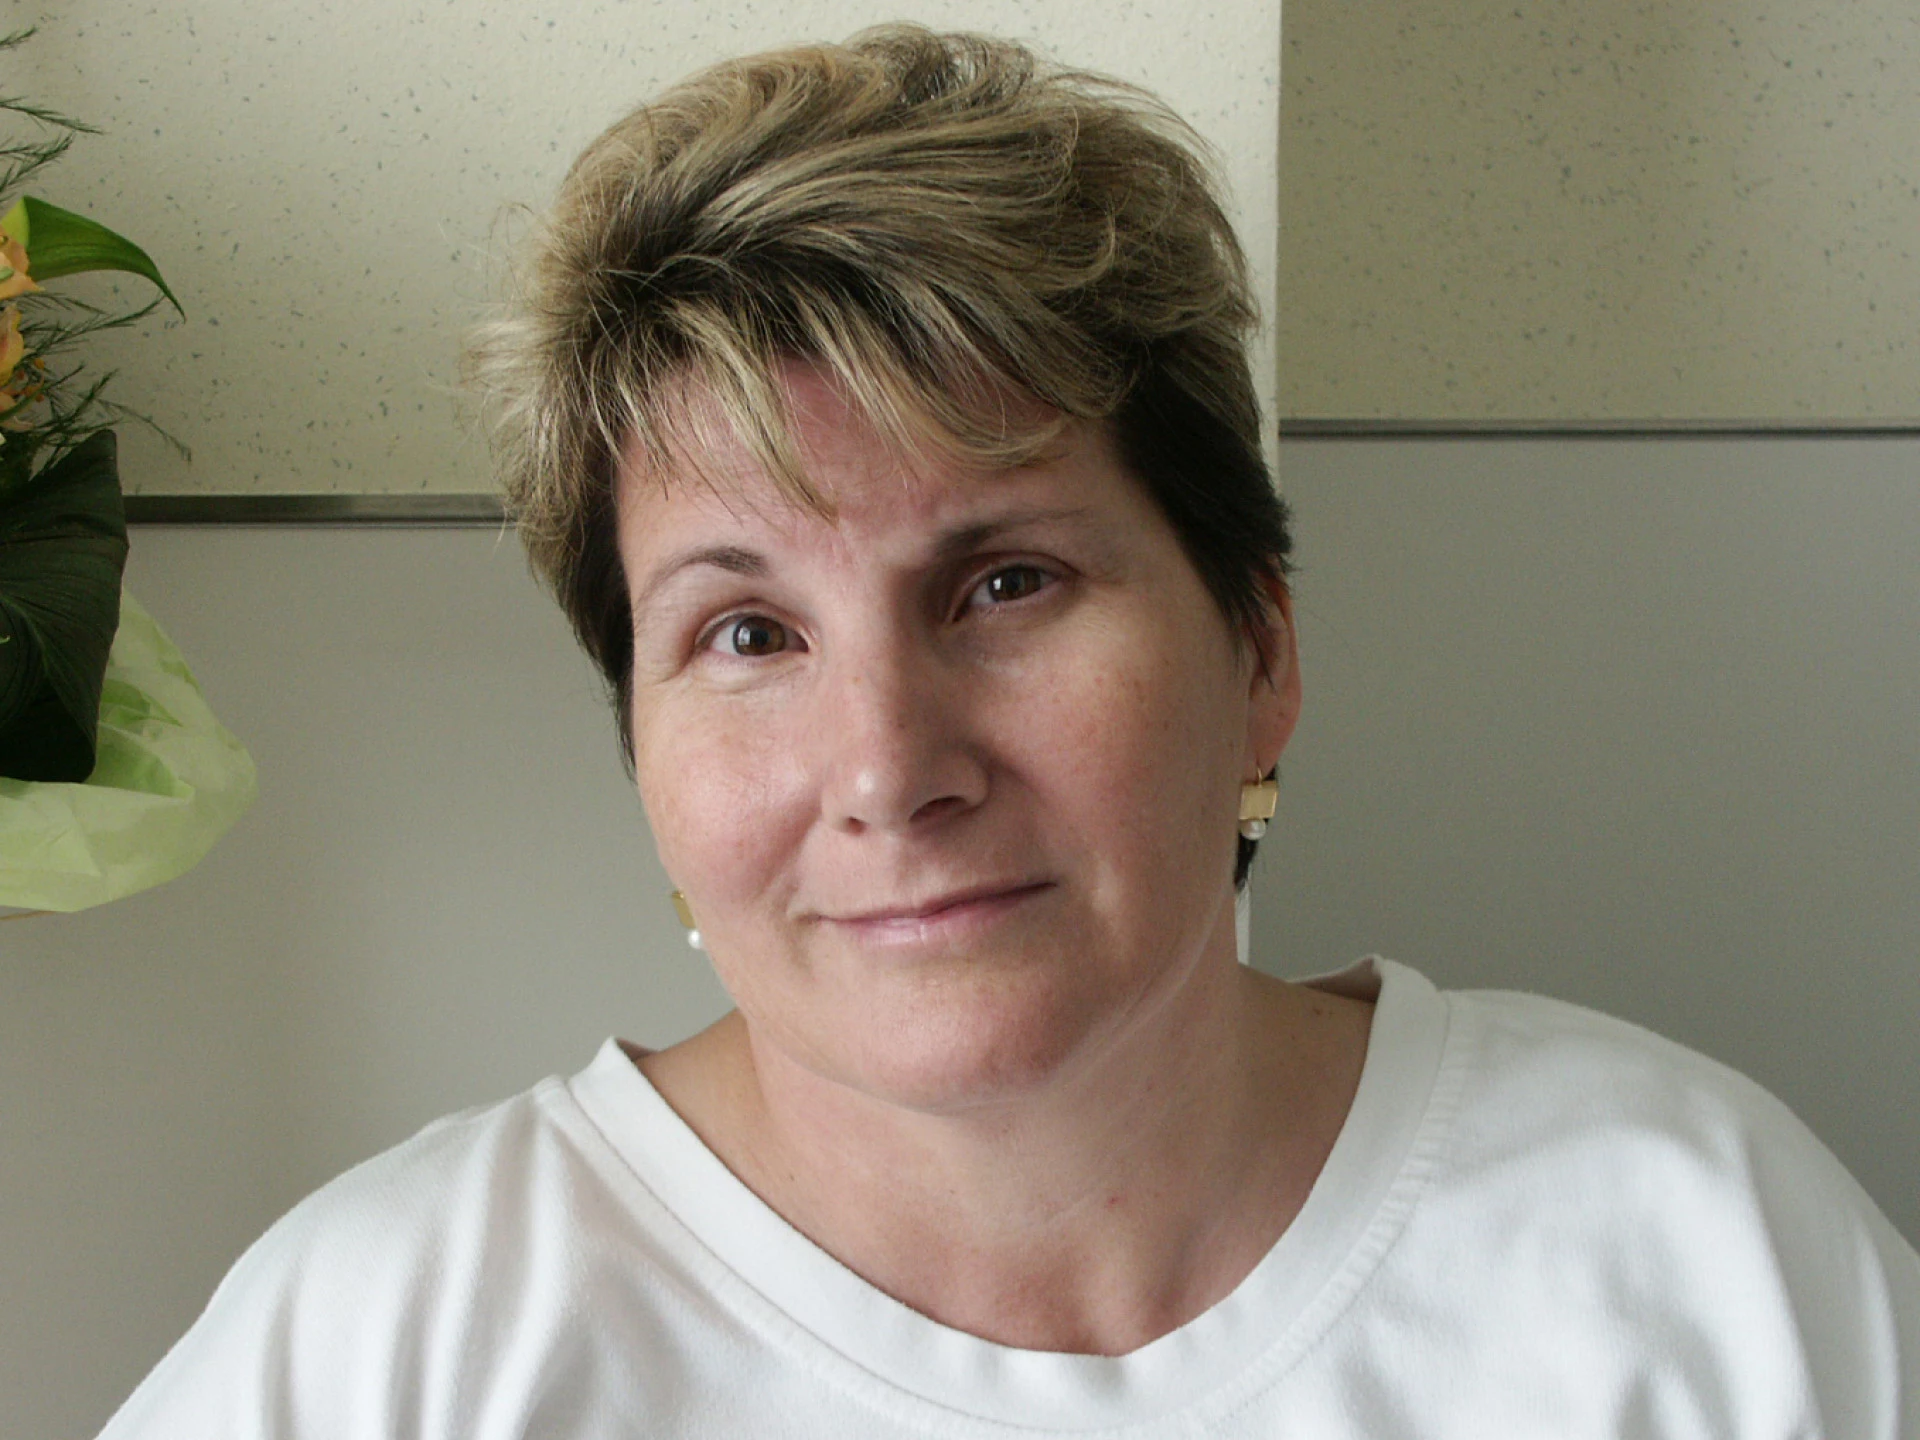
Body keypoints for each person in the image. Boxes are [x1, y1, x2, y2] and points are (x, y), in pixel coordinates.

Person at [100, 24, 1918, 1438]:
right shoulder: (393, 1351)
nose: (890, 767)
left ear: (1259, 648)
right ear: (642, 757)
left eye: (1006, 585)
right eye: (745, 632)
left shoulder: (1698, 1247)